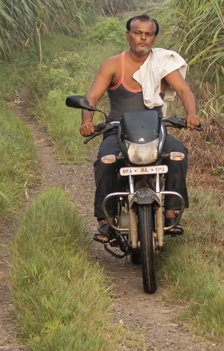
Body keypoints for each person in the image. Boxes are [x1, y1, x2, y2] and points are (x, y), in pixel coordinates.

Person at [79, 14, 200, 242]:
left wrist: (191, 114)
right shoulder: (113, 64)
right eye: (137, 33)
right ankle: (108, 221)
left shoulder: (162, 64)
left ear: (154, 38)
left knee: (177, 154)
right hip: (119, 131)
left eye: (148, 34)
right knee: (106, 160)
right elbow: (92, 96)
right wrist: (86, 121)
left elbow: (184, 91)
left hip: (155, 131)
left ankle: (171, 215)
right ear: (128, 36)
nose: (143, 38)